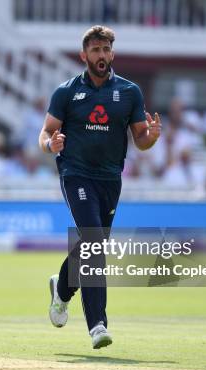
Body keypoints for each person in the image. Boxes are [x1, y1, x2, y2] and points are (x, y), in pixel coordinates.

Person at [38, 26, 160, 349]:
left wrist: (153, 137)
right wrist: (52, 145)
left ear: (112, 54)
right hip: (76, 175)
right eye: (95, 50)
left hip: (110, 180)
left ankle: (61, 288)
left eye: (106, 49)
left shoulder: (130, 92)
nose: (101, 56)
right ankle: (97, 325)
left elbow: (141, 139)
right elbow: (45, 134)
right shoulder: (66, 93)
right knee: (92, 242)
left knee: (92, 247)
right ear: (84, 55)